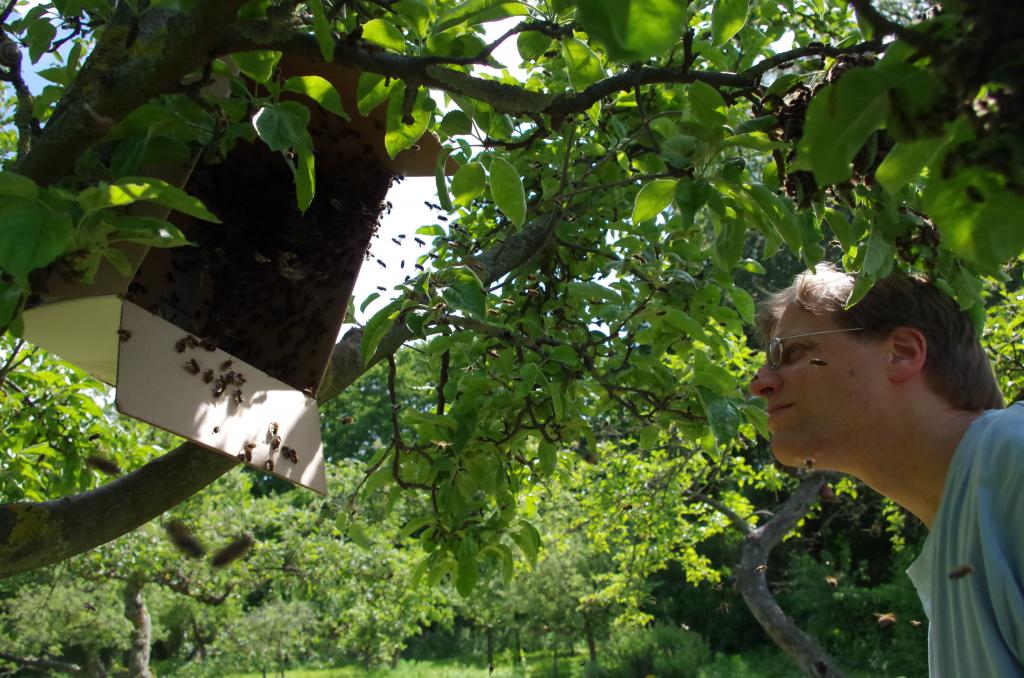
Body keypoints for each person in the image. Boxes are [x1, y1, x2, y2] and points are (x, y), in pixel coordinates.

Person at [747, 263, 1023, 677]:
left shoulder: (1013, 455)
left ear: (903, 352)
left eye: (794, 353)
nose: (759, 382)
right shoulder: (959, 543)